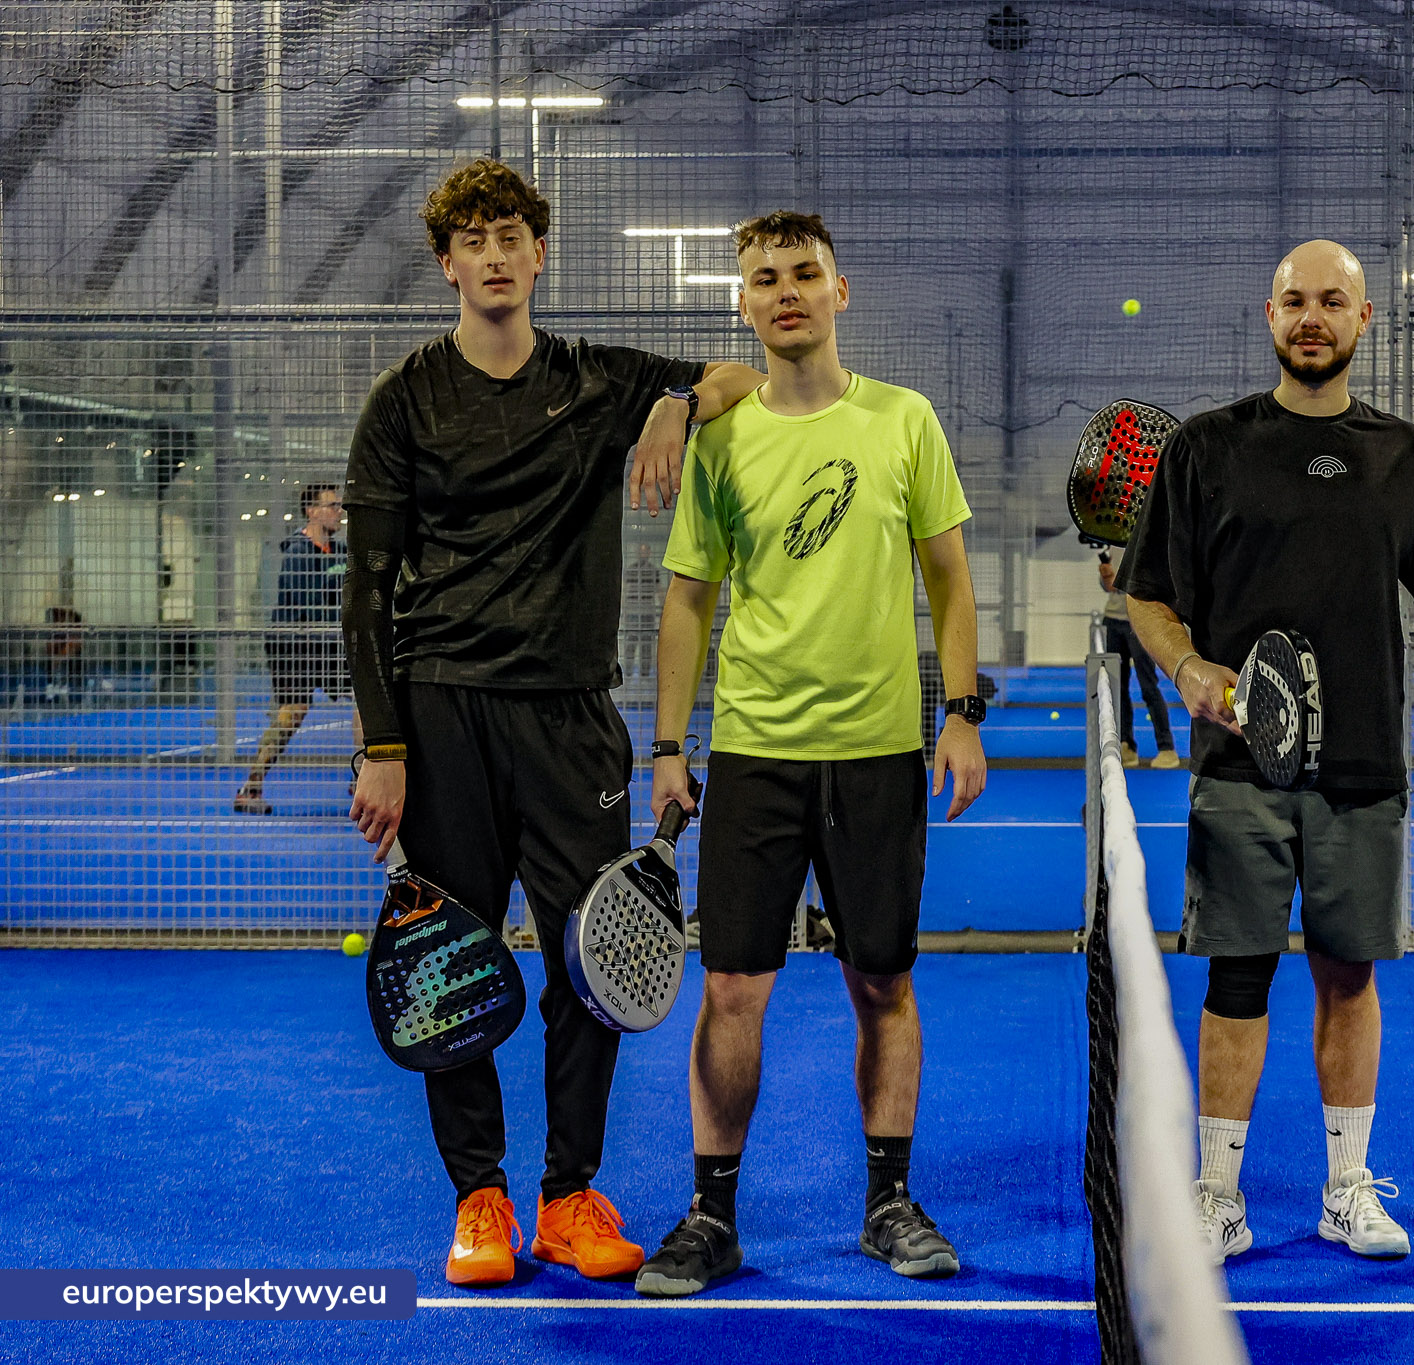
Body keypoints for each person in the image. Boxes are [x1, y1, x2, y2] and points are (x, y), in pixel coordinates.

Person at [342, 158, 765, 1290]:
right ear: (447, 264)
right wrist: (385, 749)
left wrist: (673, 405)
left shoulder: (598, 379)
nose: (491, 254)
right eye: (470, 238)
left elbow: (736, 373)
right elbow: (367, 591)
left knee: (595, 964)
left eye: (509, 235)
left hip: (572, 719)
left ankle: (569, 1196)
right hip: (440, 718)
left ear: (539, 255)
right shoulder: (404, 400)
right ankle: (479, 1199)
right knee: (450, 963)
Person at [638, 210, 986, 1298]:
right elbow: (687, 602)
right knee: (732, 989)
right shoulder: (724, 441)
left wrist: (962, 711)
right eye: (761, 279)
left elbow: (950, 580)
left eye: (802, 273)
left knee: (882, 983)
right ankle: (711, 1216)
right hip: (753, 755)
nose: (783, 290)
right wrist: (665, 747)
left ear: (843, 291)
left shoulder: (902, 420)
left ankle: (888, 1203)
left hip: (879, 753)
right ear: (741, 305)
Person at [1118, 240, 1414, 1267]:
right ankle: (1215, 1197)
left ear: (1363, 321)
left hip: (1362, 769)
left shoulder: (1406, 459)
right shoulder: (1205, 449)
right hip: (1237, 775)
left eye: (1332, 301)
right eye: (1293, 301)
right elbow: (1145, 595)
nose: (1311, 317)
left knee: (1347, 980)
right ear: (1266, 317)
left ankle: (1346, 1190)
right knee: (1235, 980)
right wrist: (1187, 671)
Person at [235, 483, 356, 814]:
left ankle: (362, 776)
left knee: (365, 699)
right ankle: (251, 788)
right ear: (312, 511)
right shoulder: (297, 553)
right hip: (294, 646)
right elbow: (312, 606)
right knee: (292, 716)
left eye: (339, 506)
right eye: (332, 506)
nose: (338, 512)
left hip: (329, 643)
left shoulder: (342, 551)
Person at [1097, 548, 1179, 768]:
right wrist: (1107, 576)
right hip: (1113, 621)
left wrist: (1119, 581)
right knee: (1118, 687)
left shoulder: (1147, 538)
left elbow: (1152, 582)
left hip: (1140, 622)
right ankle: (1126, 745)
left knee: (1148, 685)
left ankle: (1167, 748)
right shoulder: (1110, 545)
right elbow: (1110, 587)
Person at [620, 541, 664, 686]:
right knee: (630, 644)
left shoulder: (653, 571)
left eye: (646, 551)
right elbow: (625, 590)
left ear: (649, 553)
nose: (644, 554)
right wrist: (624, 609)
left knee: (646, 644)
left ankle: (644, 675)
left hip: (647, 612)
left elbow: (658, 591)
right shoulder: (631, 570)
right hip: (633, 611)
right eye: (642, 551)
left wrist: (663, 608)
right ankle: (627, 674)